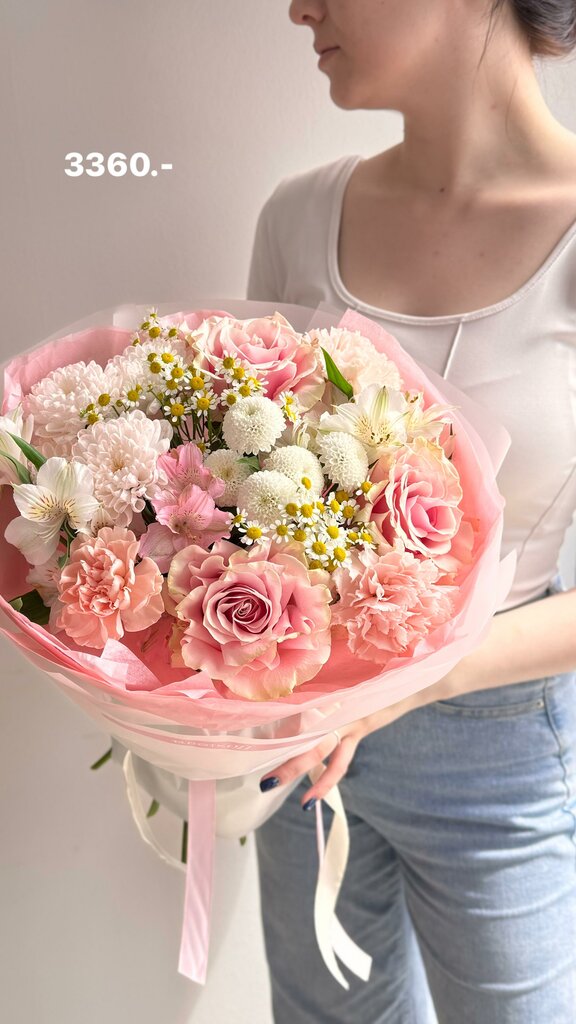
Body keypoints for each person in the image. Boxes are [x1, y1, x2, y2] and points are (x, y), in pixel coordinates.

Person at [245, 1, 576, 1021]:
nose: (297, 7)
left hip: (495, 754)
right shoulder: (298, 215)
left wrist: (414, 681)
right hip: (298, 732)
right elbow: (241, 498)